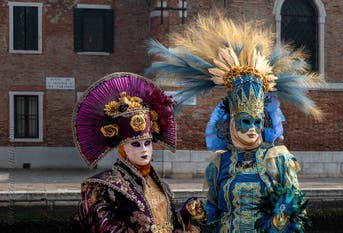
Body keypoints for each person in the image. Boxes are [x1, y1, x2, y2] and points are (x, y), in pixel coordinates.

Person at [146, 11, 323, 233]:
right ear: (230, 122)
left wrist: (283, 221)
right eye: (244, 121)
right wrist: (198, 212)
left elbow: (297, 210)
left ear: (264, 122)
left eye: (256, 122)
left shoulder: (279, 159)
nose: (251, 129)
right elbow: (214, 210)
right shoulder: (219, 164)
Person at [72, 72, 198, 232]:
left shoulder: (162, 186)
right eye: (136, 144)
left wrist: (186, 213)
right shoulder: (105, 187)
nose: (144, 150)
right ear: (122, 147)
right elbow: (105, 228)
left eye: (147, 143)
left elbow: (169, 225)